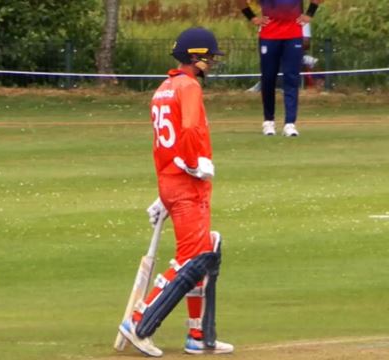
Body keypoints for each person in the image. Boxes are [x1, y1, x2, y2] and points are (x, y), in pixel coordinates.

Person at [118, 27, 234, 357]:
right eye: (209, 57)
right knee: (193, 259)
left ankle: (198, 335)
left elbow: (161, 143)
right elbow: (189, 129)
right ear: (195, 57)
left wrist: (165, 190)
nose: (211, 63)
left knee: (208, 249)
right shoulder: (189, 87)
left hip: (173, 181)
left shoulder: (163, 89)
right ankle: (140, 321)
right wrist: (197, 163)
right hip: (188, 184)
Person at [237, 0, 324, 136]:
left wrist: (310, 14)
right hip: (269, 36)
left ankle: (290, 123)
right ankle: (268, 121)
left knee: (291, 78)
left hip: (293, 35)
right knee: (268, 78)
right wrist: (253, 18)